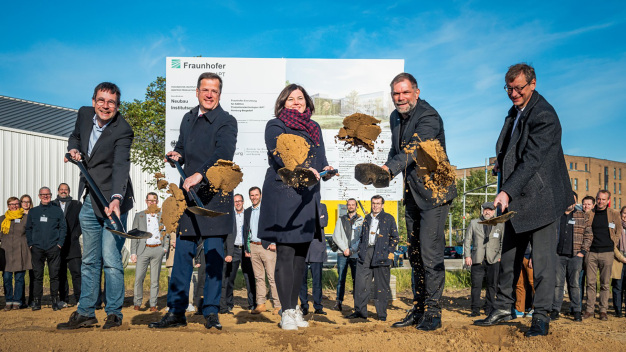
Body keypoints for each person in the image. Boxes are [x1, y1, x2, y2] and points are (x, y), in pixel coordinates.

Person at [474, 63, 573, 337]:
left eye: (518, 88)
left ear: (533, 84)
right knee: (508, 258)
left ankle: (541, 316)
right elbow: (512, 149)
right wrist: (500, 165)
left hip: (542, 198)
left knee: (541, 263)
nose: (513, 93)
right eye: (509, 88)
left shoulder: (544, 115)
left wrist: (505, 190)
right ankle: (504, 308)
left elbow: (531, 161)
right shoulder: (515, 111)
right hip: (519, 198)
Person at [149, 72, 237, 331]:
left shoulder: (226, 121)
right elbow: (183, 148)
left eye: (215, 91)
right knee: (182, 256)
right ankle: (176, 311)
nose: (210, 94)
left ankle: (211, 312)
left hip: (215, 197)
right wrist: (177, 154)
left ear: (219, 94)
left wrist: (200, 174)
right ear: (197, 92)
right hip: (189, 198)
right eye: (205, 90)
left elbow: (224, 154)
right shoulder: (188, 118)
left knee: (213, 257)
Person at [257, 83, 336, 330]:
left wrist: (326, 170)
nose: (296, 102)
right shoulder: (275, 125)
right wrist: (301, 168)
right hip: (284, 193)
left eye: (300, 98)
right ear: (283, 103)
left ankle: (295, 308)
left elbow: (319, 159)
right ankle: (286, 311)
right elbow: (280, 155)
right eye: (290, 99)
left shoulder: (315, 128)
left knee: (301, 256)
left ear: (307, 102)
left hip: (307, 196)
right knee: (286, 253)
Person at [383, 73, 457, 331]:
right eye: (396, 94)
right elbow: (396, 150)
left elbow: (415, 148)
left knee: (429, 253)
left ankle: (434, 313)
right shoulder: (395, 117)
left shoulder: (429, 116)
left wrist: (390, 169)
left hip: (435, 195)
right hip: (412, 194)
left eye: (405, 92)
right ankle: (419, 308)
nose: (400, 98)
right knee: (414, 254)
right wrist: (383, 169)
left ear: (416, 91)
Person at [57, 82, 135, 330]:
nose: (105, 106)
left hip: (113, 202)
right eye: (101, 100)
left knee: (111, 260)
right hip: (90, 200)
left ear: (117, 107)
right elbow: (75, 137)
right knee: (89, 260)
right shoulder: (84, 114)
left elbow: (121, 166)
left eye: (111, 102)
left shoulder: (123, 129)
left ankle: (114, 313)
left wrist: (116, 198)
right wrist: (73, 149)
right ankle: (86, 312)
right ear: (93, 101)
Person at [347, 195, 398, 321]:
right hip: (366, 253)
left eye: (378, 203)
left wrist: (389, 252)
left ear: (382, 205)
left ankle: (381, 315)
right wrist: (360, 250)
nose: (375, 206)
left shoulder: (389, 218)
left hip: (382, 254)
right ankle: (360, 312)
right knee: (361, 284)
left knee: (381, 287)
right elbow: (363, 237)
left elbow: (395, 238)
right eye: (373, 203)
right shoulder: (366, 218)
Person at [583, 190, 625, 321]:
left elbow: (618, 231)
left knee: (605, 284)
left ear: (608, 201)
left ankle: (603, 310)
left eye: (603, 199)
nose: (600, 201)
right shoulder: (590, 214)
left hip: (607, 253)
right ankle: (589, 310)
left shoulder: (614, 214)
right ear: (596, 199)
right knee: (590, 283)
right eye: (599, 199)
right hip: (592, 252)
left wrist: (613, 243)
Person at [25, 187, 66, 311]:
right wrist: (31, 244)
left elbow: (63, 228)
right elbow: (28, 229)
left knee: (54, 275)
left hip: (53, 247)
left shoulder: (57, 211)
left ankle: (55, 301)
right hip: (37, 248)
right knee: (38, 276)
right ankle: (37, 302)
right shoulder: (33, 212)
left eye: (47, 194)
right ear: (39, 196)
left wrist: (59, 244)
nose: (45, 196)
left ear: (51, 195)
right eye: (43, 194)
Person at [551, 192, 589, 322]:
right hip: (558, 256)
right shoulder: (556, 216)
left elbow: (588, 235)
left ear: (576, 202)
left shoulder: (582, 216)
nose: (570, 202)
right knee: (557, 284)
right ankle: (555, 309)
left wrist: (582, 252)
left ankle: (576, 311)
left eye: (573, 200)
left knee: (574, 285)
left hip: (575, 256)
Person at [463, 202, 504, 317]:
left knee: (492, 285)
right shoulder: (474, 223)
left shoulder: (499, 224)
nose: (487, 212)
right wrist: (467, 256)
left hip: (493, 259)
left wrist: (499, 256)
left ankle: (489, 308)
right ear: (483, 210)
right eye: (486, 209)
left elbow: (502, 242)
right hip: (477, 259)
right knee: (476, 286)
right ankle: (475, 310)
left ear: (493, 211)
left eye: (490, 210)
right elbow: (467, 240)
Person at [131, 192, 169, 312]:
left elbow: (166, 233)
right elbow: (134, 235)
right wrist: (133, 252)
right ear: (146, 201)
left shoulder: (163, 216)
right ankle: (137, 303)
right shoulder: (139, 215)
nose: (152, 202)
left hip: (157, 249)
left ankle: (153, 304)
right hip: (143, 249)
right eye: (149, 200)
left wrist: (165, 248)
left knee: (154, 279)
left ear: (157, 202)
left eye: (154, 200)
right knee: (139, 278)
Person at [220, 193, 256, 314]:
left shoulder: (248, 214)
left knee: (249, 277)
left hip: (246, 250)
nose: (238, 203)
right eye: (235, 201)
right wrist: (228, 252)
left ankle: (252, 303)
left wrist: (249, 249)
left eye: (239, 201)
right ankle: (229, 303)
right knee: (230, 278)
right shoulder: (230, 216)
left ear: (243, 202)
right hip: (233, 250)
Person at [246, 187, 280, 315]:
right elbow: (246, 231)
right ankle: (260, 304)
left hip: (267, 246)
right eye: (252, 195)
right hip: (253, 247)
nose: (254, 197)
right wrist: (247, 248)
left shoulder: (268, 210)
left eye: (256, 195)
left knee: (272, 277)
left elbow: (275, 226)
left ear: (260, 195)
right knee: (259, 277)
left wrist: (274, 243)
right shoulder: (248, 211)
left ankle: (277, 305)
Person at [52, 183, 83, 307]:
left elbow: (82, 221)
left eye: (66, 189)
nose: (63, 191)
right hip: (57, 245)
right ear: (58, 191)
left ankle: (80, 299)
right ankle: (64, 299)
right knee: (61, 273)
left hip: (73, 245)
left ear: (69, 191)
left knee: (77, 273)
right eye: (61, 189)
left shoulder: (76, 204)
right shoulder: (52, 205)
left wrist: (76, 234)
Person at [1, 197, 32, 310]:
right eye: (11, 204)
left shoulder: (26, 218)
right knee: (7, 277)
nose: (14, 206)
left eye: (16, 204)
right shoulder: (2, 219)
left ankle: (17, 301)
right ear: (8, 205)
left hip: (21, 251)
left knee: (19, 278)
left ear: (19, 205)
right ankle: (9, 300)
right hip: (7, 253)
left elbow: (30, 233)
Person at [332, 198, 363, 311]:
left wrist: (352, 250)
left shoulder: (361, 220)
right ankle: (338, 302)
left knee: (357, 279)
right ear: (347, 206)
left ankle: (357, 304)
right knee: (341, 279)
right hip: (342, 254)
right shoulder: (341, 220)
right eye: (349, 205)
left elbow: (361, 238)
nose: (351, 206)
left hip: (355, 255)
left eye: (353, 205)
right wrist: (345, 249)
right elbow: (336, 236)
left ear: (356, 206)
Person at [299, 202, 329, 316]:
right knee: (302, 281)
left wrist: (307, 222)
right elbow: (299, 225)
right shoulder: (301, 206)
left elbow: (324, 222)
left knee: (317, 281)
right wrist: (316, 221)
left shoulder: (323, 206)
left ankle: (318, 306)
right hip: (303, 249)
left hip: (317, 249)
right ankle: (304, 306)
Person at [19, 194, 34, 308]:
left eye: (28, 202)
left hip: (33, 247)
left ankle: (32, 299)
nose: (26, 204)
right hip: (22, 247)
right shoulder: (17, 216)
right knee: (21, 274)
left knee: (33, 274)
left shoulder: (34, 215)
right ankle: (21, 299)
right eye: (24, 202)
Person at [612, 206, 626, 317]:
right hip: (618, 259)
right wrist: (621, 257)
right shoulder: (616, 226)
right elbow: (612, 244)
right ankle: (618, 310)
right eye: (624, 213)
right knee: (618, 286)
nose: (625, 216)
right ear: (621, 214)